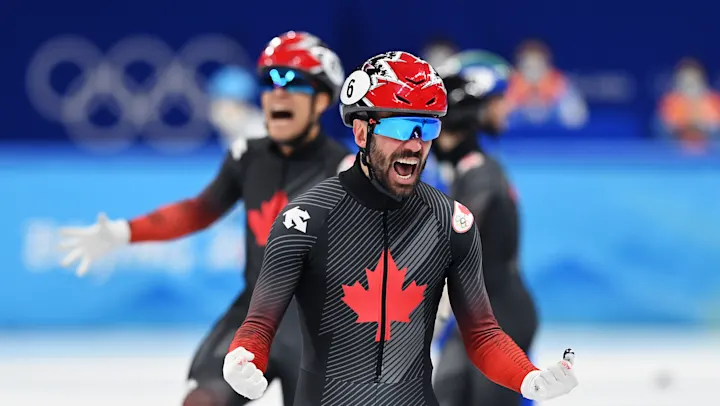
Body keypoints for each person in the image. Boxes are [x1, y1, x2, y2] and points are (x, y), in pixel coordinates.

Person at [221, 51, 578, 406]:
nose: (415, 145)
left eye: (427, 128)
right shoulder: (304, 220)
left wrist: (528, 378)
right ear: (361, 132)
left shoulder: (452, 222)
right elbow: (260, 323)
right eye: (400, 128)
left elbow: (482, 335)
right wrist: (243, 355)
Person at [58, 31, 355, 406]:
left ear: (323, 99)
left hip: (319, 325)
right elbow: (199, 211)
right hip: (253, 313)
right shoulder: (247, 156)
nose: (278, 93)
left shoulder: (345, 171)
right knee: (201, 401)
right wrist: (124, 232)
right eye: (270, 81)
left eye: (294, 82)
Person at [431, 50, 539, 406]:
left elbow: (453, 239)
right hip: (478, 317)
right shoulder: (465, 169)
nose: (507, 107)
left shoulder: (480, 173)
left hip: (498, 319)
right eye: (499, 98)